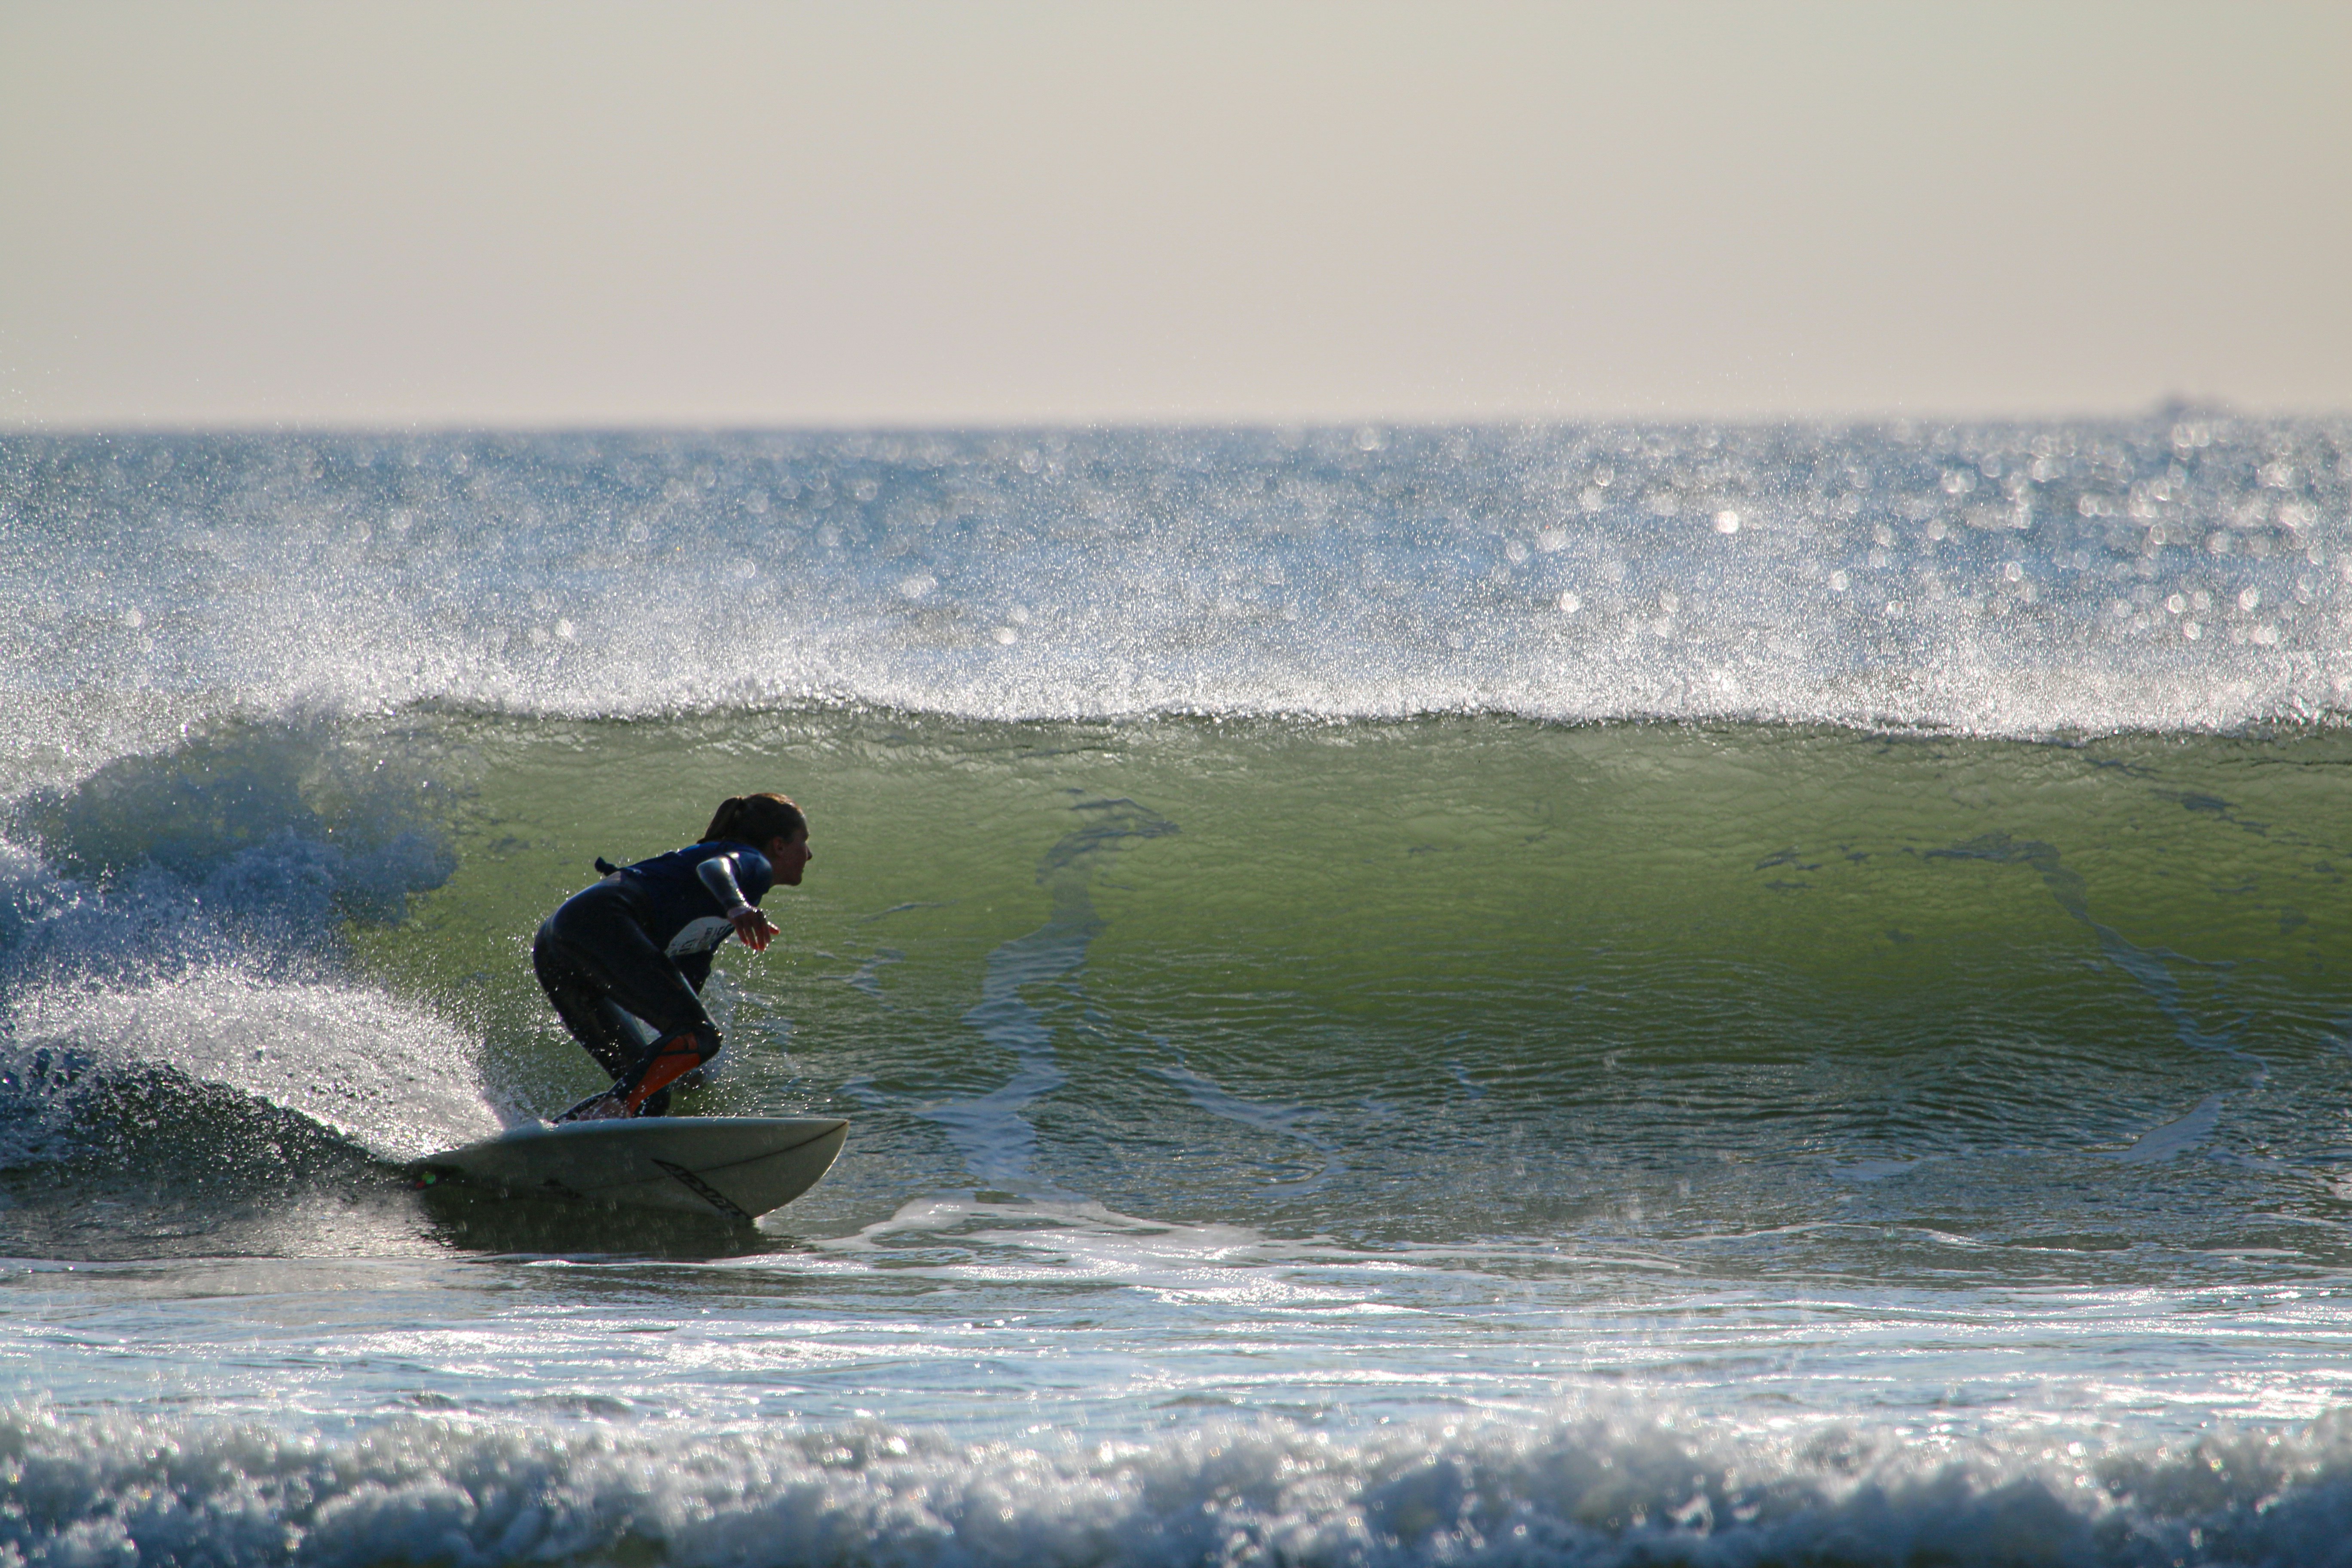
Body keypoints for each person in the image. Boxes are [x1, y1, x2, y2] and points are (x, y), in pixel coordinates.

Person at [532, 793, 812, 1121]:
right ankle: (612, 1108)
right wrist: (737, 906)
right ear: (779, 846)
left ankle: (555, 1137)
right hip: (601, 920)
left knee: (651, 1095)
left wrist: (686, 1056)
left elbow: (683, 991)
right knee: (702, 1036)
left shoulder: (715, 912)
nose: (809, 854)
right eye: (804, 841)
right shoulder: (753, 863)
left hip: (557, 943)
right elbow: (715, 869)